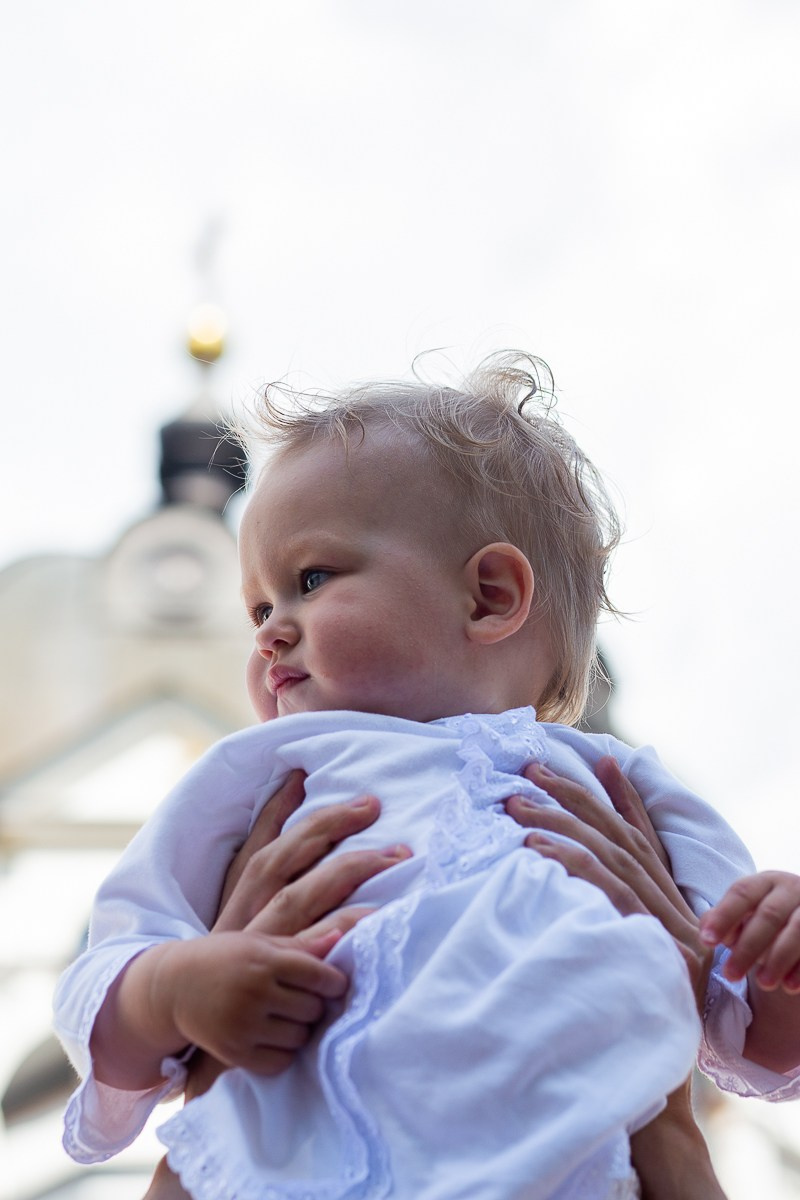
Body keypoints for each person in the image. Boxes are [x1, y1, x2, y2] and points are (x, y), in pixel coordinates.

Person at [54, 353, 800, 1199]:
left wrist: (782, 944)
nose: (268, 633)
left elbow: (758, 1037)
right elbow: (107, 971)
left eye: (309, 581)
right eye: (258, 609)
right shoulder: (259, 772)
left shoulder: (622, 785)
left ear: (488, 595)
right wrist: (178, 992)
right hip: (293, 1173)